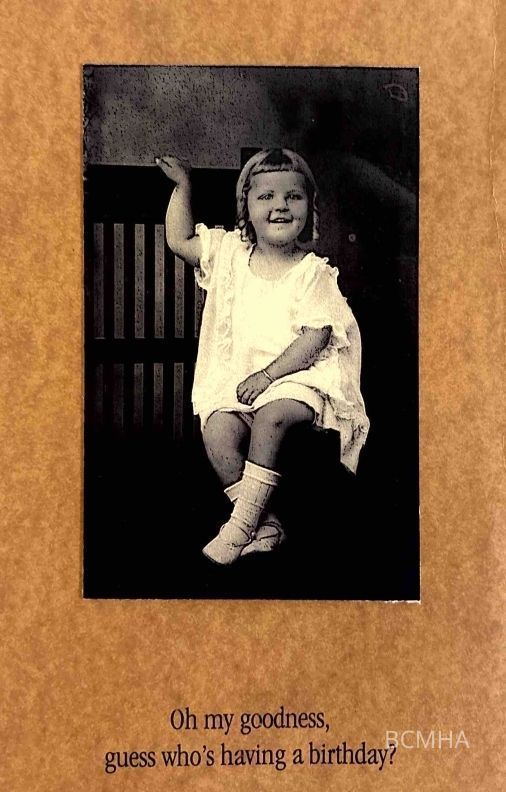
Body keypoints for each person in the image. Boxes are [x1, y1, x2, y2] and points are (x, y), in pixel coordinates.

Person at [155, 148, 369, 565]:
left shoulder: (312, 271)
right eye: (266, 196)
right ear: (247, 208)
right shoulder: (230, 253)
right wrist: (183, 186)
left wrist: (269, 376)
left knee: (272, 414)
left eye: (293, 196)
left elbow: (316, 337)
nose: (280, 205)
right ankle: (265, 523)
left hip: (299, 376)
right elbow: (179, 241)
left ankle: (238, 527)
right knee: (217, 429)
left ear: (309, 207)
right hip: (244, 378)